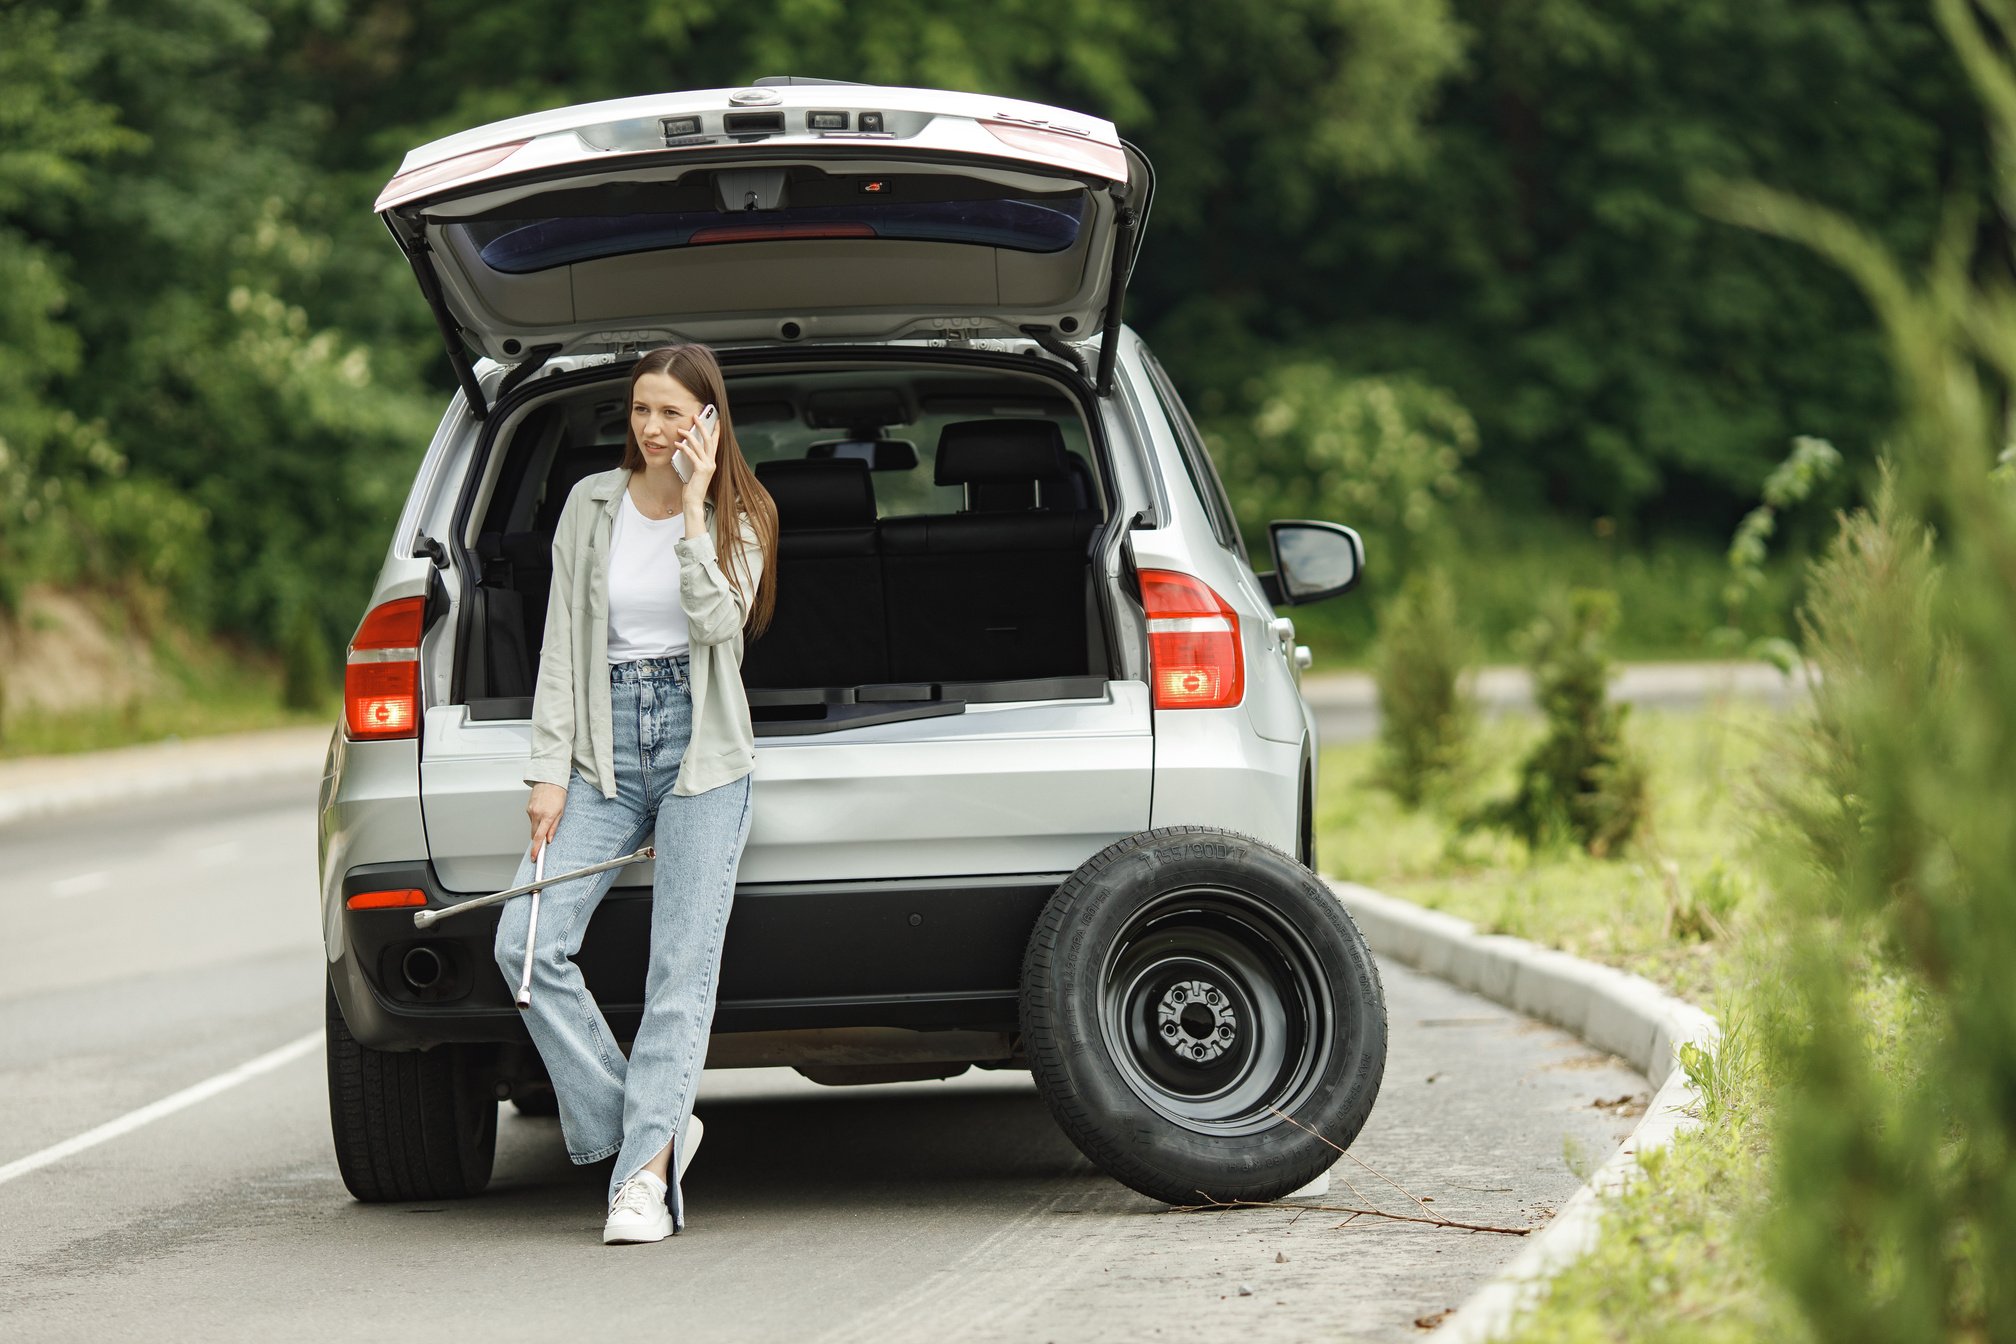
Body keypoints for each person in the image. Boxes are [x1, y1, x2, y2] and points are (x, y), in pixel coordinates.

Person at [493, 343, 778, 1244]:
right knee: (524, 948)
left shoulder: (744, 513)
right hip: (600, 751)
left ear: (709, 421)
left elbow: (721, 626)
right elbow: (559, 646)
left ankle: (642, 1184)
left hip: (703, 755)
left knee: (677, 977)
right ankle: (650, 1130)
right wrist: (547, 771)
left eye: (672, 413)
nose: (653, 429)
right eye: (642, 410)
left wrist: (694, 510)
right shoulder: (590, 504)